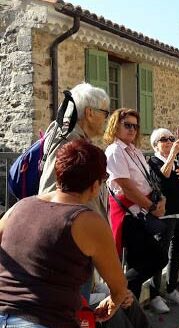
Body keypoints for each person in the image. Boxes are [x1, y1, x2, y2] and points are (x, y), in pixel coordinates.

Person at [0, 140, 128, 328]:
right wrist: (112, 303)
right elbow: (117, 284)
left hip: (2, 326)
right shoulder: (86, 220)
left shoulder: (20, 207)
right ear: (95, 185)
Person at [38, 82, 111, 300]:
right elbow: (49, 190)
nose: (106, 119)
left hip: (81, 240)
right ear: (90, 113)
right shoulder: (68, 143)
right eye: (104, 113)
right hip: (72, 243)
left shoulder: (77, 141)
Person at [104, 108, 166, 300]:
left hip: (141, 211)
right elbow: (126, 187)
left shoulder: (134, 151)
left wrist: (160, 199)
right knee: (158, 258)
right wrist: (152, 207)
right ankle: (120, 290)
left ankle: (132, 319)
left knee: (137, 263)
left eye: (135, 126)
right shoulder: (115, 151)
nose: (132, 129)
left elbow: (147, 180)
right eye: (127, 125)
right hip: (129, 214)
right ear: (116, 126)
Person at [148, 128, 179, 312]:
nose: (168, 142)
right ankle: (154, 295)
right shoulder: (153, 161)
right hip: (163, 215)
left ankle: (171, 288)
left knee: (175, 253)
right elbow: (163, 176)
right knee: (159, 255)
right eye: (163, 139)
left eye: (171, 139)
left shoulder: (176, 161)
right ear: (155, 144)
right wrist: (173, 154)